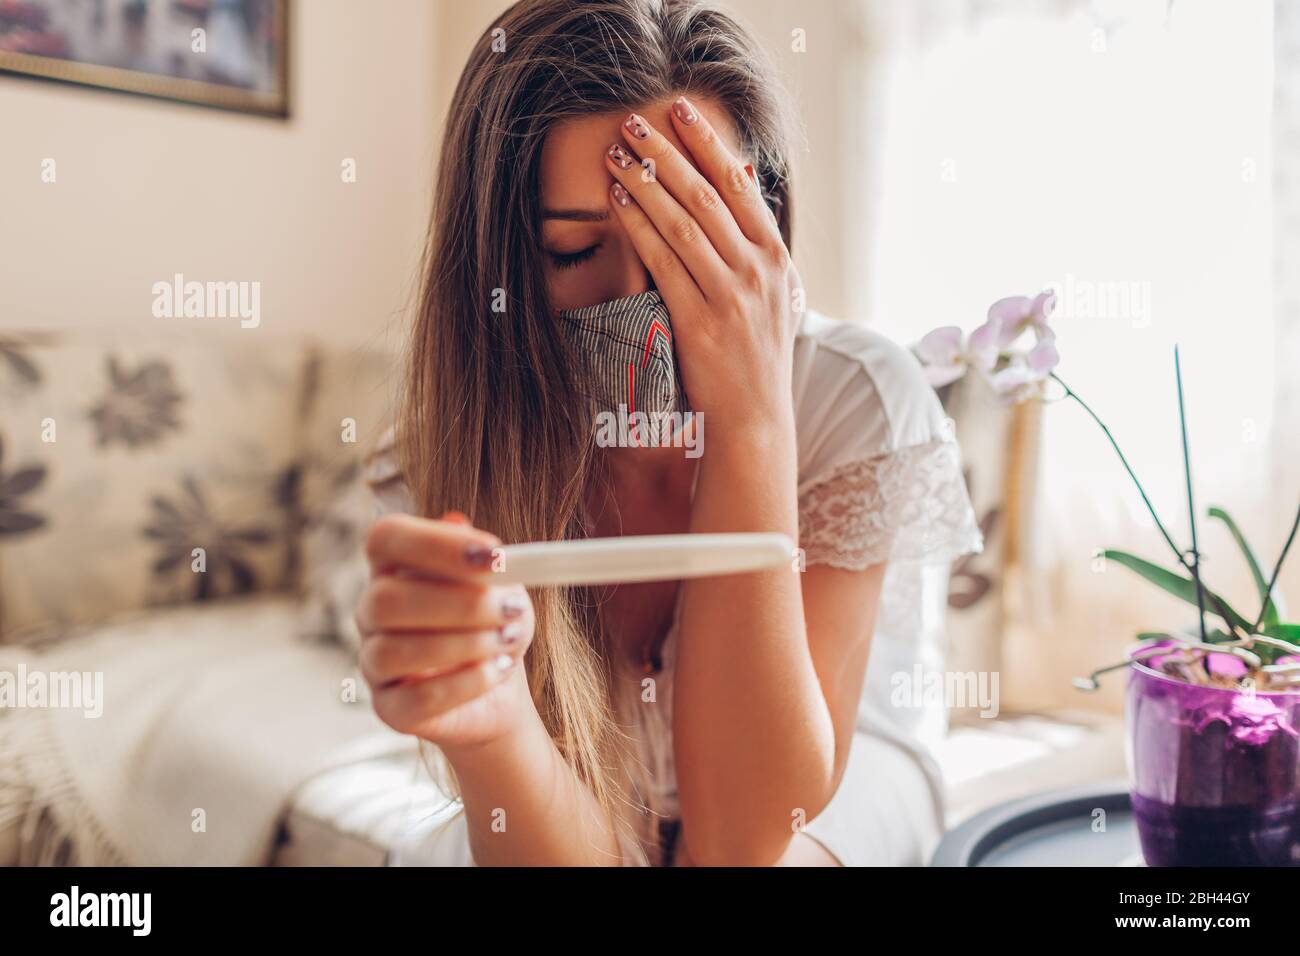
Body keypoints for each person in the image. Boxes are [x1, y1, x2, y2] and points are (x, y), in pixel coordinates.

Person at [355, 0, 982, 867]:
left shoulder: (856, 400)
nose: (644, 312)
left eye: (692, 248)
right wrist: (492, 720)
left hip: (832, 780)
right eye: (574, 253)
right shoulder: (456, 440)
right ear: (498, 267)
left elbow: (742, 841)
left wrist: (753, 419)